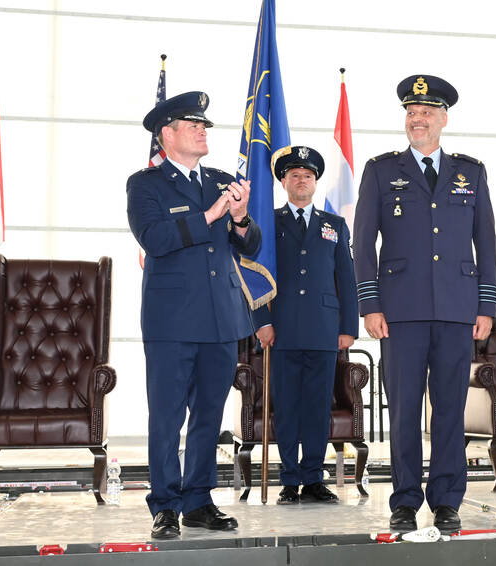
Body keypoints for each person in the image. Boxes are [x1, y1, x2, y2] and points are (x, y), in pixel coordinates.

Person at [353, 74, 496, 533]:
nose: (418, 119)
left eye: (427, 112)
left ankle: (448, 498)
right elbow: (362, 242)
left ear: (443, 118)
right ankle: (404, 499)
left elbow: (486, 243)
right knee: (406, 408)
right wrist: (370, 304)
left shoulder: (470, 171)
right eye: (411, 113)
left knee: (451, 408)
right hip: (400, 310)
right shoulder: (381, 170)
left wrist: (486, 305)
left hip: (457, 309)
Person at [127, 91, 262, 539]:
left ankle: (198, 500)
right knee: (167, 417)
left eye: (204, 124)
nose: (203, 130)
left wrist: (240, 218)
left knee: (209, 415)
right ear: (167, 135)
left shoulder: (222, 181)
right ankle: (164, 504)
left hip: (222, 318)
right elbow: (155, 238)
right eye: (193, 125)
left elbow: (251, 245)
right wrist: (212, 214)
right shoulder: (145, 185)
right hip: (172, 321)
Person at [251, 145, 358, 505]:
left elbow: (346, 277)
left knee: (316, 406)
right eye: (294, 175)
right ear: (283, 181)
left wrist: (348, 328)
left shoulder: (335, 226)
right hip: (280, 328)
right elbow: (256, 276)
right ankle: (289, 478)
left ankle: (313, 477)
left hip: (323, 328)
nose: (302, 180)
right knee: (287, 406)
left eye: (308, 175)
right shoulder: (268, 223)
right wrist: (261, 320)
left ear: (316, 182)